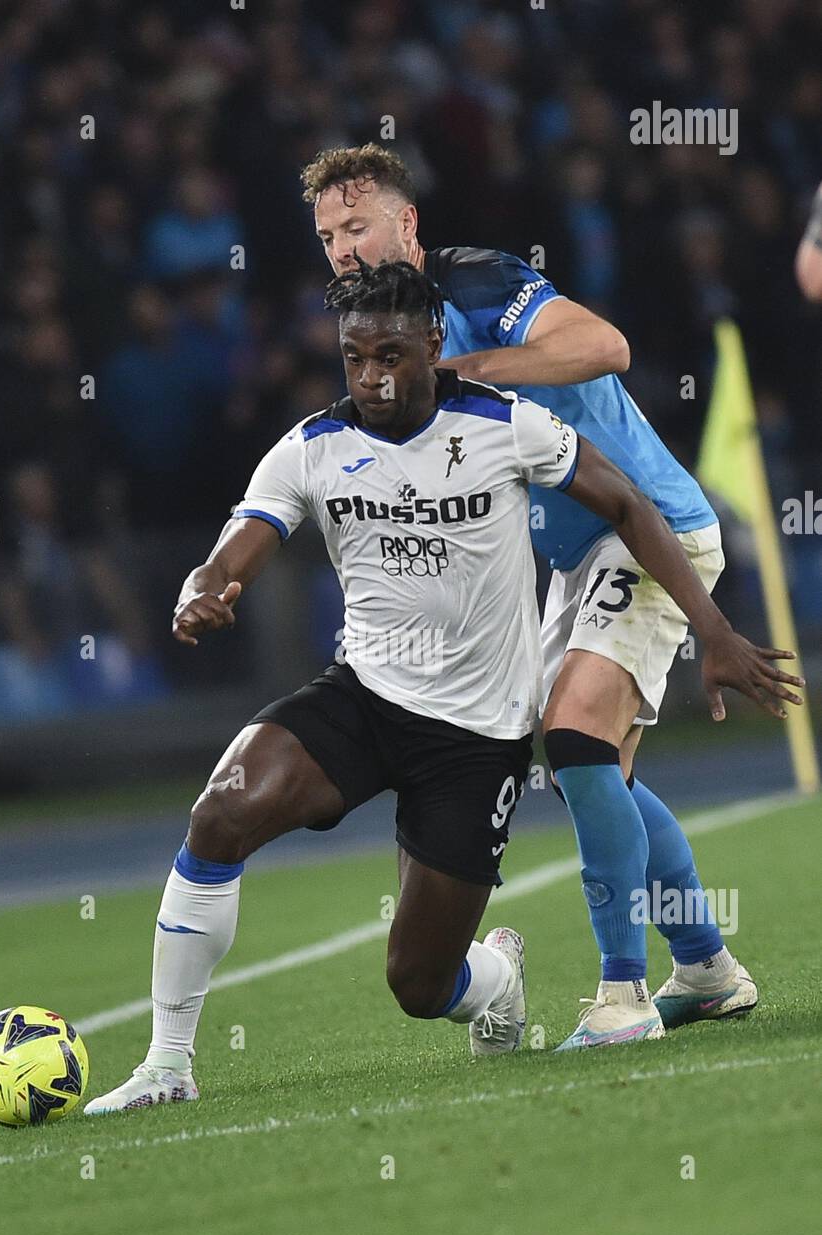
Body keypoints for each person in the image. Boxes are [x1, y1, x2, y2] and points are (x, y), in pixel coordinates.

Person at [86, 259, 801, 1114]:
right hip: (363, 698)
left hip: (473, 741)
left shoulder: (506, 425)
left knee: (419, 982)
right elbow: (241, 540)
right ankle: (169, 1066)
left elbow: (629, 508)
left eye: (390, 355)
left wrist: (714, 633)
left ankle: (499, 979)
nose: (373, 379)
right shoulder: (316, 445)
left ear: (434, 345)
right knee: (222, 810)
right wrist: (203, 588)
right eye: (355, 359)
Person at [302, 144, 805, 1048]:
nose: (341, 246)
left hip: (648, 522)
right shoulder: (382, 345)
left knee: (575, 740)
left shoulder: (478, 283)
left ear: (406, 224)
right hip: (571, 562)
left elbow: (603, 345)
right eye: (328, 233)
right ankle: (706, 967)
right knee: (588, 773)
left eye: (357, 224)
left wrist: (473, 371)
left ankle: (623, 998)